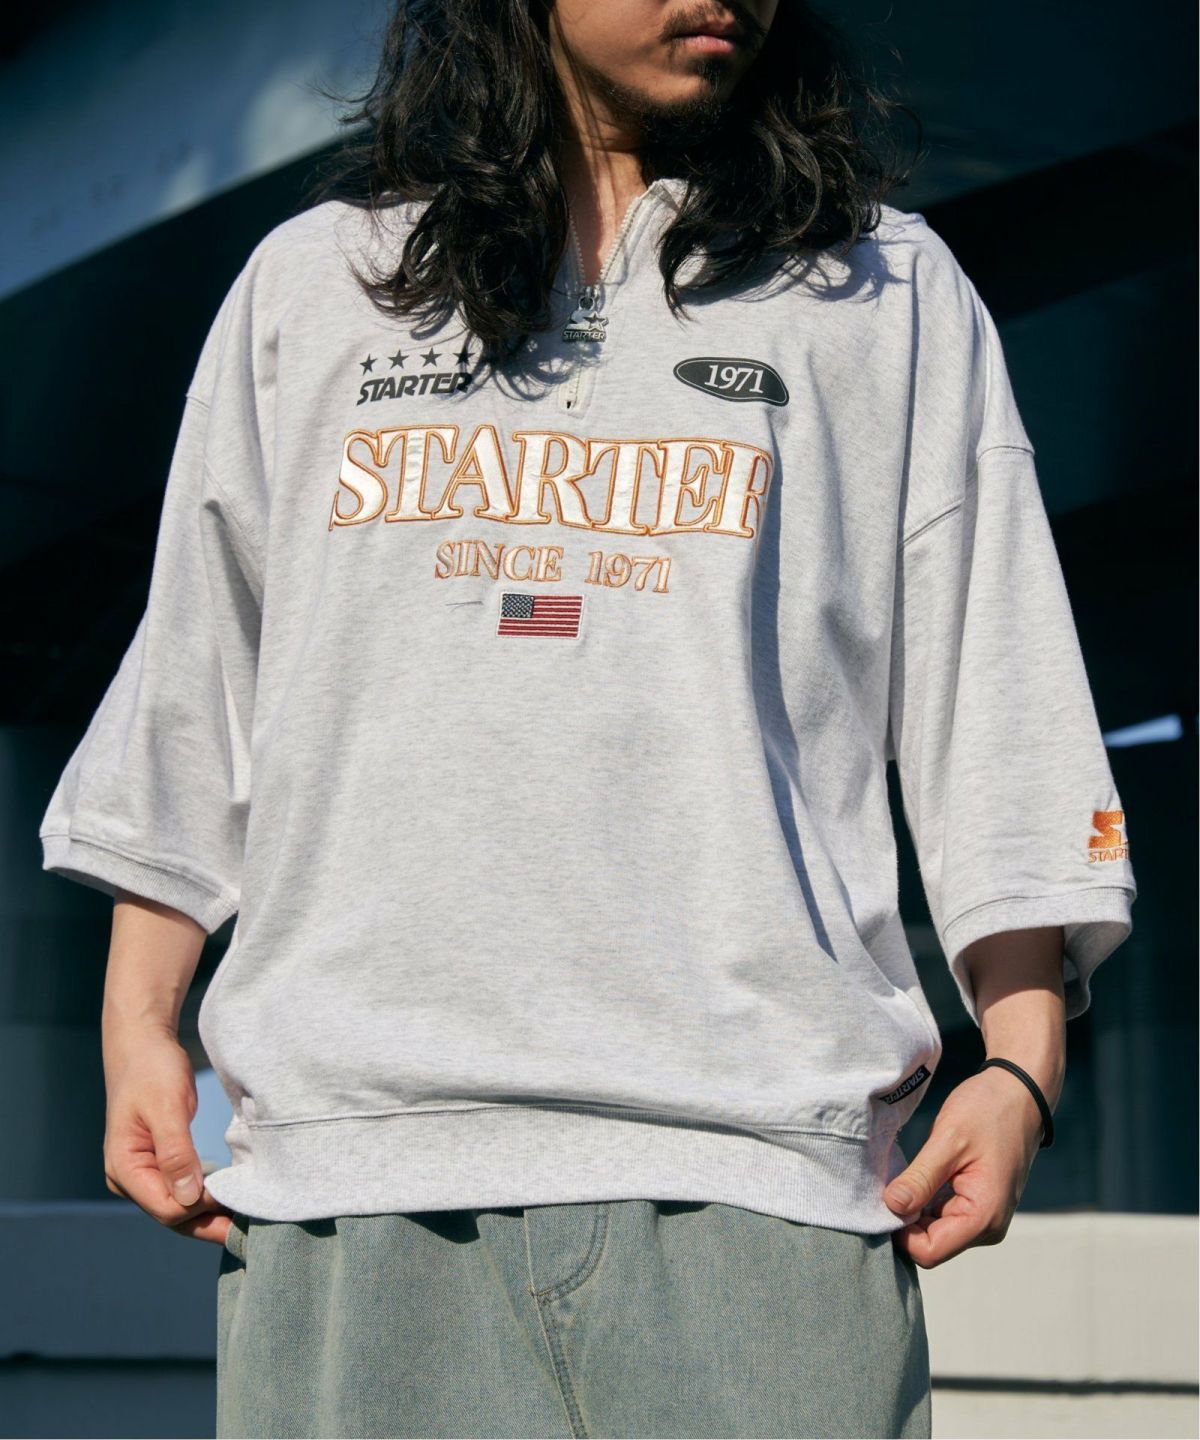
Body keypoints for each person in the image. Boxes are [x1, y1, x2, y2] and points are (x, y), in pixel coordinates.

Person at [39, 1, 1137, 1436]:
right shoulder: (319, 285)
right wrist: (138, 1019)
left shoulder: (883, 289)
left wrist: (1021, 1067)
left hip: (760, 1185)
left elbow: (993, 682)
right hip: (357, 1175)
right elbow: (205, 667)